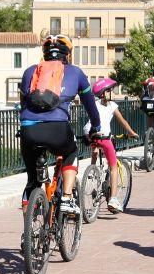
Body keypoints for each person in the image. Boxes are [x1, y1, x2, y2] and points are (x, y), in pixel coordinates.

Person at [19, 34, 100, 214]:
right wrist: (96, 126)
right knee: (71, 152)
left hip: (29, 130)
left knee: (32, 181)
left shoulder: (29, 71)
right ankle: (67, 197)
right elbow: (90, 104)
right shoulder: (75, 72)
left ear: (45, 54)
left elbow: (23, 103)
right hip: (57, 128)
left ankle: (28, 228)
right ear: (68, 55)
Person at [83, 78, 138, 212]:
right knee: (113, 167)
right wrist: (132, 133)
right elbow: (123, 122)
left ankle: (93, 169)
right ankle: (113, 199)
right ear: (104, 93)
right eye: (109, 90)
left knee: (95, 146)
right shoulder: (112, 106)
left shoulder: (94, 104)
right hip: (105, 138)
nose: (111, 92)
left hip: (89, 134)